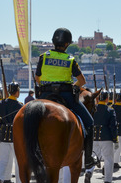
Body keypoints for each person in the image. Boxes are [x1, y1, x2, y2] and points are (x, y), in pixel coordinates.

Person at [35, 27, 98, 171]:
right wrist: (73, 86)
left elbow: (37, 78)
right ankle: (88, 159)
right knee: (89, 122)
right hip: (65, 95)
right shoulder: (70, 60)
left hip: (45, 95)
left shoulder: (43, 56)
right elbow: (81, 81)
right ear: (67, 44)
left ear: (53, 41)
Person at [85, 90, 118, 183]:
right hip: (106, 137)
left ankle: (89, 171)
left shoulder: (92, 109)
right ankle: (107, 180)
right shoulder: (110, 110)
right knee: (108, 159)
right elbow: (113, 126)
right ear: (107, 99)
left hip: (94, 137)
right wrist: (115, 139)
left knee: (94, 156)